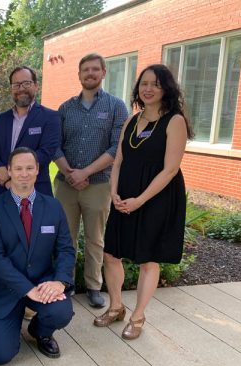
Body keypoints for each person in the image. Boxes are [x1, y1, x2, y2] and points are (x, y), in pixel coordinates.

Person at [95, 64, 192, 340]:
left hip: (156, 198)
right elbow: (119, 161)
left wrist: (140, 200)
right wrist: (114, 192)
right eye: (144, 83)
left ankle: (138, 316)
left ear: (166, 89)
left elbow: (170, 169)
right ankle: (116, 307)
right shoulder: (132, 120)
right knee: (111, 253)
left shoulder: (174, 121)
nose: (147, 89)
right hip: (124, 196)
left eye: (155, 84)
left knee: (148, 259)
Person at [0, 147, 75, 364]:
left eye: (29, 168)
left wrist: (60, 281)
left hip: (42, 281)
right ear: (9, 171)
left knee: (60, 312)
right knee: (1, 356)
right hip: (5, 288)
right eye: (19, 168)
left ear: (38, 170)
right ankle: (5, 323)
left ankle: (40, 331)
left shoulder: (53, 206)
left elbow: (65, 249)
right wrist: (28, 290)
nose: (24, 173)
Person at [53, 53, 129, 308]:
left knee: (96, 238)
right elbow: (55, 146)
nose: (90, 73)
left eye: (95, 69)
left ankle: (94, 286)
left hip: (98, 184)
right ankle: (66, 283)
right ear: (79, 75)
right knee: (66, 237)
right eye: (85, 69)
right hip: (66, 185)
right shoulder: (65, 108)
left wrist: (84, 173)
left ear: (104, 73)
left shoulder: (116, 106)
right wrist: (71, 173)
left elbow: (117, 147)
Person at [0, 66, 60, 198]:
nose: (21, 88)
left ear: (36, 85)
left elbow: (46, 152)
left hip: (36, 191)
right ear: (11, 88)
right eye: (16, 84)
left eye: (26, 83)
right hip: (2, 190)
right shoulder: (0, 120)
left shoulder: (50, 117)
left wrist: (11, 172)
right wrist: (6, 179)